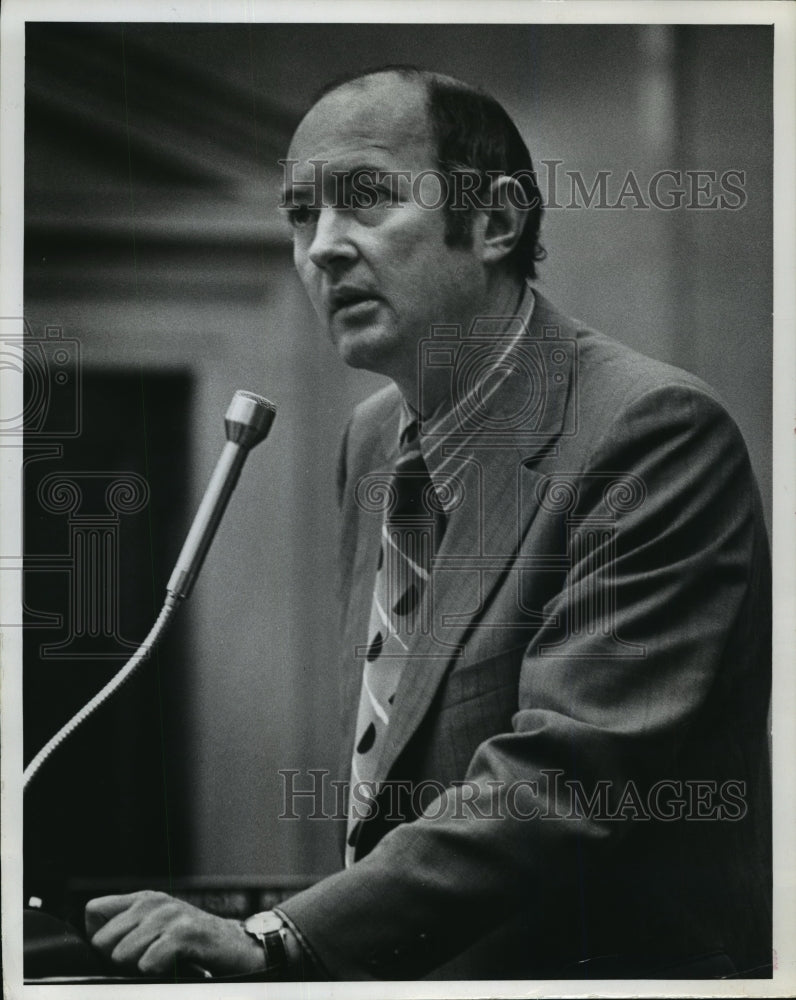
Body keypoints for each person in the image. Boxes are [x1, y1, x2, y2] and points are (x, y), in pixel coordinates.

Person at [85, 66, 772, 981]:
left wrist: (279, 938)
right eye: (299, 214)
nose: (322, 247)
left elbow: (561, 781)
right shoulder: (374, 440)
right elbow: (393, 770)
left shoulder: (652, 433)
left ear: (495, 220)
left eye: (366, 200)